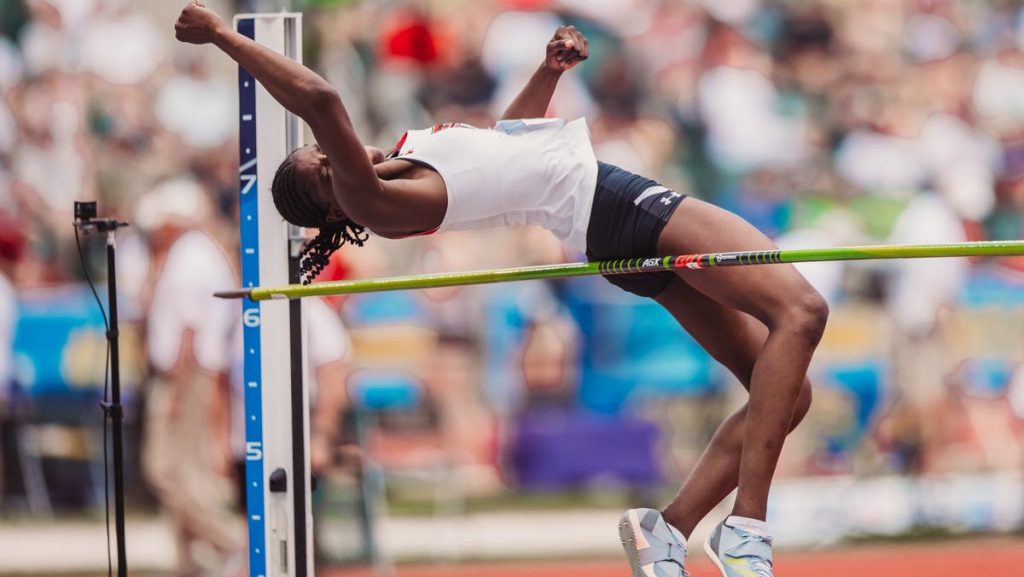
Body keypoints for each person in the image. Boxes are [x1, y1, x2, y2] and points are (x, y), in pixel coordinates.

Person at [175, 3, 829, 576]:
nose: (332, 159)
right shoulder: (368, 197)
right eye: (323, 171)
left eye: (323, 157)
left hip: (602, 231)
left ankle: (671, 528)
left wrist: (548, 72)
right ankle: (747, 525)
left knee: (787, 390)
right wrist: (221, 35)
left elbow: (509, 150)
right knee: (801, 310)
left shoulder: (408, 157)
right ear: (333, 203)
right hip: (612, 205)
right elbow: (321, 101)